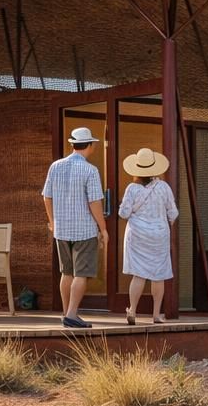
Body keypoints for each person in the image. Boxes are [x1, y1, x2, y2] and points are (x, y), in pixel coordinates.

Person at [42, 126, 107, 329]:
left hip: (61, 229)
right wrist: (103, 229)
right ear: (89, 145)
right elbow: (94, 202)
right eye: (93, 144)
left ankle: (66, 313)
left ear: (73, 144)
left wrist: (53, 222)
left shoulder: (55, 166)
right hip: (84, 230)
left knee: (66, 272)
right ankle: (72, 314)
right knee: (81, 274)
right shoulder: (90, 170)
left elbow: (47, 196)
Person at [118, 147, 179, 326]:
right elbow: (173, 213)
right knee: (158, 275)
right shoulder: (163, 187)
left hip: (137, 235)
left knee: (138, 274)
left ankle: (133, 311)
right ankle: (155, 314)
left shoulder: (132, 188)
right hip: (159, 235)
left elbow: (123, 213)